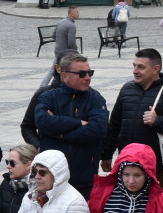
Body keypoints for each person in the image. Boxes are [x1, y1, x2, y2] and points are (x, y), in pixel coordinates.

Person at [101, 49, 163, 192]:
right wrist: (107, 154)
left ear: (155, 69)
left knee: (155, 206)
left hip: (157, 165)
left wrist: (158, 121)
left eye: (141, 67)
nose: (135, 71)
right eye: (134, 66)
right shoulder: (127, 89)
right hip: (127, 162)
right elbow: (114, 125)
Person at [34, 52, 109, 199]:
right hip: (51, 178)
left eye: (89, 73)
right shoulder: (48, 96)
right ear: (65, 75)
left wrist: (59, 133)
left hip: (84, 178)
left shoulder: (95, 99)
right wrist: (77, 123)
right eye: (82, 74)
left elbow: (97, 130)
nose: (87, 78)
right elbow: (42, 122)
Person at [41, 6, 80, 87]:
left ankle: (43, 86)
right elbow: (71, 42)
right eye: (77, 12)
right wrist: (76, 52)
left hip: (58, 50)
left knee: (53, 70)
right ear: (72, 14)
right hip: (66, 53)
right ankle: (44, 86)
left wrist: (60, 41)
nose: (78, 14)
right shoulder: (71, 26)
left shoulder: (61, 22)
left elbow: (53, 36)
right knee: (70, 71)